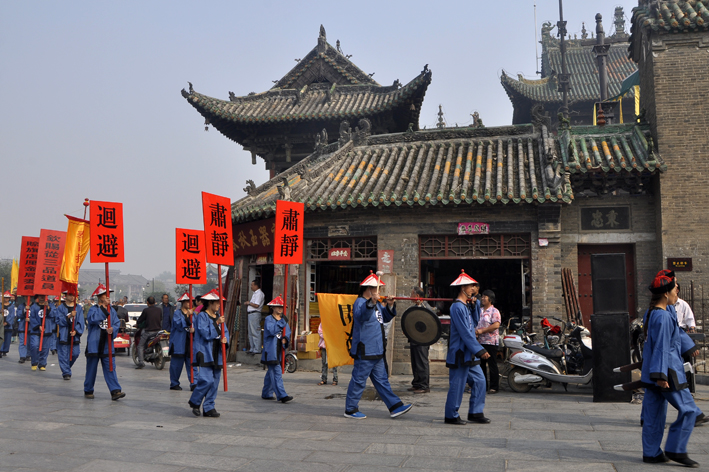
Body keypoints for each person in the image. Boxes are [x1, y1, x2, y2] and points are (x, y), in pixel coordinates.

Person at [641, 270, 701, 467]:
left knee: (653, 415)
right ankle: (676, 448)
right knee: (690, 410)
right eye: (676, 288)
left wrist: (689, 347)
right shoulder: (664, 316)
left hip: (652, 372)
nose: (678, 292)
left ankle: (651, 453)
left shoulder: (652, 313)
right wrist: (661, 375)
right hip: (668, 372)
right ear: (666, 293)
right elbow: (662, 347)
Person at [344, 272, 412, 420]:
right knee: (358, 380)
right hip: (365, 349)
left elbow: (385, 317)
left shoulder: (376, 305)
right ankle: (350, 409)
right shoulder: (361, 303)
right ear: (369, 289)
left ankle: (395, 406)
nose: (379, 291)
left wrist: (390, 304)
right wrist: (372, 303)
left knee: (382, 381)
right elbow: (362, 315)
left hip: (377, 350)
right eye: (377, 288)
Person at [444, 270, 490, 425]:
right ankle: (451, 415)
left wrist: (475, 303)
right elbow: (465, 332)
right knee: (457, 385)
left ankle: (476, 412)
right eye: (471, 286)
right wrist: (480, 350)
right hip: (460, 351)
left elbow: (476, 322)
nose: (473, 289)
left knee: (480, 381)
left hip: (470, 352)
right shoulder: (457, 307)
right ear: (462, 287)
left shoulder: (466, 306)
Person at [188, 289, 228, 417]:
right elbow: (205, 333)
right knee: (206, 380)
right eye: (217, 303)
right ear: (210, 303)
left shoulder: (219, 317)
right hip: (205, 351)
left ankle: (209, 406)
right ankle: (195, 400)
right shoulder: (202, 316)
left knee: (215, 382)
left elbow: (225, 331)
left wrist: (225, 340)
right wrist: (216, 323)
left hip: (218, 352)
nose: (218, 306)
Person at [84, 284, 125, 401]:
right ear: (99, 297)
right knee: (91, 369)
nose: (107, 297)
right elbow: (93, 319)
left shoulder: (111, 310)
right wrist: (103, 308)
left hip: (107, 344)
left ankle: (115, 390)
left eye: (108, 295)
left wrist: (113, 330)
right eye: (104, 295)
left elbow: (116, 323)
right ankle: (88, 389)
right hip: (94, 344)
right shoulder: (93, 309)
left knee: (110, 367)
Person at [261, 296, 293, 403]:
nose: (280, 309)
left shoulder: (283, 320)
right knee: (276, 372)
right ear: (273, 307)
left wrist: (285, 338)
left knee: (271, 372)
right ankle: (282, 395)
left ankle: (266, 393)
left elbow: (287, 332)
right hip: (271, 350)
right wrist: (281, 323)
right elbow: (271, 330)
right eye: (278, 306)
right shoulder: (268, 319)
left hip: (279, 349)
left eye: (281, 307)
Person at [169, 292, 196, 391]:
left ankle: (194, 382)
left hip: (190, 344)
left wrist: (194, 329)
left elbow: (197, 326)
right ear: (182, 302)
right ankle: (174, 383)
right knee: (176, 366)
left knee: (192, 365)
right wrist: (187, 317)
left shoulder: (194, 315)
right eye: (187, 301)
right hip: (178, 344)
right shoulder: (177, 313)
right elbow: (178, 325)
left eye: (191, 301)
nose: (190, 303)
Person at [55, 290, 85, 380]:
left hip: (74, 335)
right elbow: (58, 320)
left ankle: (66, 367)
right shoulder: (60, 308)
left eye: (74, 295)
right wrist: (69, 316)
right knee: (63, 354)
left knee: (75, 353)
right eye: (70, 295)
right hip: (63, 334)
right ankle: (66, 372)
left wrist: (76, 331)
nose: (72, 297)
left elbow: (81, 322)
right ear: (65, 296)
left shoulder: (78, 308)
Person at [406, 287, 431, 394]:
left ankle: (424, 385)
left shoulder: (426, 307)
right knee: (415, 362)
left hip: (423, 339)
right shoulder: (414, 307)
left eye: (412, 295)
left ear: (417, 296)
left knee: (422, 362)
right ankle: (416, 383)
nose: (410, 297)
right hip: (414, 338)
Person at [476, 289, 501, 394]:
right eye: (482, 296)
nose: (482, 298)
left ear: (490, 299)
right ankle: (483, 386)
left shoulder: (494, 311)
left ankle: (494, 387)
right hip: (480, 341)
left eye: (485, 297)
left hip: (490, 342)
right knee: (480, 365)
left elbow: (496, 325)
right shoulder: (479, 310)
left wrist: (482, 330)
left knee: (492, 365)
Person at [135, 296, 162, 369]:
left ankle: (141, 362)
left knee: (140, 346)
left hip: (149, 332)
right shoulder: (159, 310)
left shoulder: (146, 310)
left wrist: (137, 323)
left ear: (147, 302)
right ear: (154, 302)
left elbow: (140, 319)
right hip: (158, 331)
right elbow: (161, 318)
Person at [28, 295, 54, 371]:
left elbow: (54, 315)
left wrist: (48, 307)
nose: (42, 297)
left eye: (43, 296)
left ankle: (42, 363)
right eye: (40, 296)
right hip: (36, 331)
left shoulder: (51, 305)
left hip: (47, 330)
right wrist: (38, 325)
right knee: (34, 346)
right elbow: (32, 317)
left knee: (45, 348)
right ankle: (34, 362)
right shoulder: (34, 307)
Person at [246, 280, 265, 355]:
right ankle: (252, 348)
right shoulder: (255, 294)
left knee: (255, 331)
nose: (251, 286)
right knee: (250, 332)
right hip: (251, 314)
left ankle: (257, 349)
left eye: (252, 285)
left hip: (255, 314)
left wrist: (249, 303)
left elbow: (257, 305)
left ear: (256, 286)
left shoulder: (259, 294)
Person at [318, 322, 338, 386]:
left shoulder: (334, 322)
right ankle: (324, 379)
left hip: (333, 345)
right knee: (324, 363)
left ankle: (335, 379)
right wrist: (327, 336)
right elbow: (320, 331)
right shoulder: (323, 322)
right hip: (325, 345)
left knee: (334, 363)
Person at [1, 291, 16, 358]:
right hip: (1, 325)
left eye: (7, 298)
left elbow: (12, 315)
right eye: (5, 298)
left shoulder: (11, 306)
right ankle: (0, 349)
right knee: (1, 337)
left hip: (8, 325)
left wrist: (7, 322)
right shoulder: (0, 305)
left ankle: (5, 350)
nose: (6, 299)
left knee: (7, 338)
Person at [16, 297, 29, 363]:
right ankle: (22, 356)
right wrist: (24, 310)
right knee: (22, 342)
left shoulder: (35, 306)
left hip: (32, 327)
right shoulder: (21, 306)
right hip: (22, 327)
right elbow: (18, 315)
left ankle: (28, 354)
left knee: (30, 342)